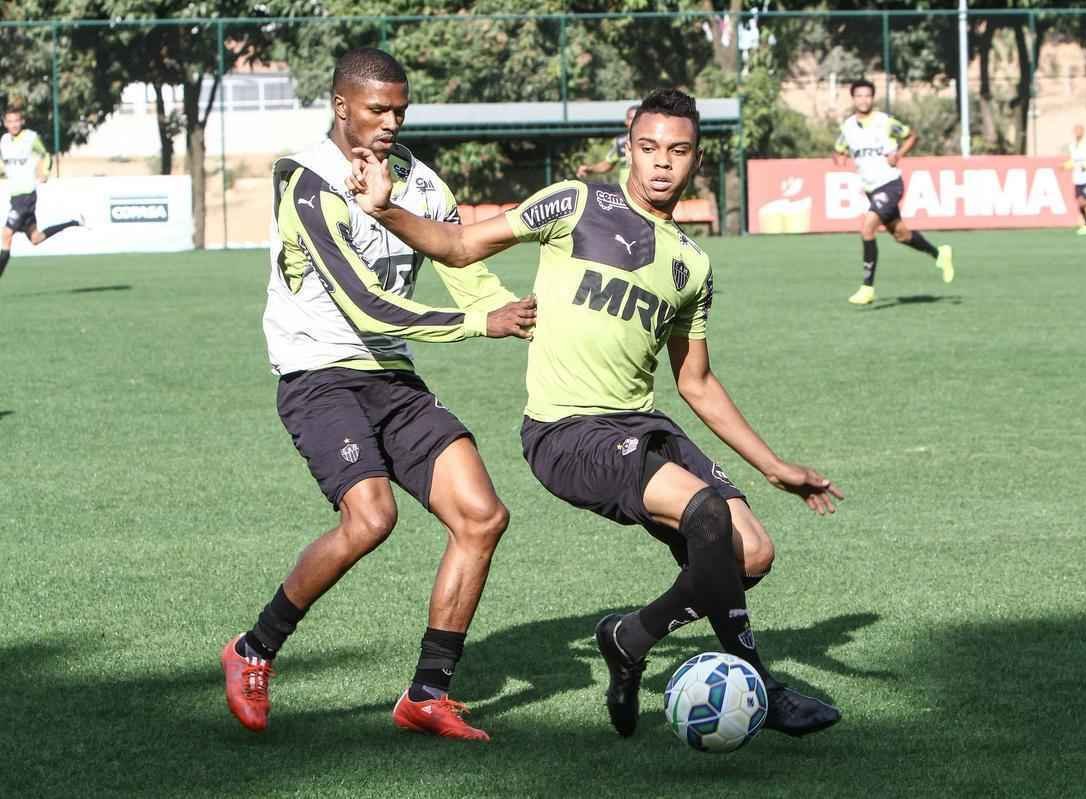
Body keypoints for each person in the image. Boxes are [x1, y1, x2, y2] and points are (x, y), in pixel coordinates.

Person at [347, 88, 845, 740]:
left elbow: (694, 380)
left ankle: (629, 637)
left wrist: (774, 465)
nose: (662, 163)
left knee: (750, 551)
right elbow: (462, 246)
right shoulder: (576, 201)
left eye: (679, 150)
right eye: (649, 148)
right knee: (707, 518)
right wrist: (385, 209)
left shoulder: (692, 265)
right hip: (566, 431)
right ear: (627, 143)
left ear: (696, 157)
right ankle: (763, 686)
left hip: (644, 424)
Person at [220, 47, 536, 743]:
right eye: (377, 109)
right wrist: (480, 324)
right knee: (370, 517)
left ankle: (427, 694)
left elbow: (464, 263)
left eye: (400, 109)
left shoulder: (419, 181)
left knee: (481, 516)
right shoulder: (303, 180)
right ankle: (253, 649)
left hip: (391, 378)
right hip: (317, 374)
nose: (391, 121)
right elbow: (366, 306)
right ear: (341, 106)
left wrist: (523, 313)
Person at [833, 79, 953, 306]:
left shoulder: (884, 122)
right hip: (871, 189)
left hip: (889, 184)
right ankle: (940, 254)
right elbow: (838, 150)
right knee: (902, 235)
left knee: (867, 227)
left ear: (872, 98)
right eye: (859, 96)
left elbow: (911, 135)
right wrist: (839, 158)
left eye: (867, 95)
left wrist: (898, 154)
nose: (863, 99)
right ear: (853, 99)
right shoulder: (848, 126)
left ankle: (867, 288)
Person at [0, 109, 83, 279]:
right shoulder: (4, 140)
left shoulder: (30, 137)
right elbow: (4, 165)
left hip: (26, 196)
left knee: (6, 234)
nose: (14, 124)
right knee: (36, 238)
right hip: (15, 196)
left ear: (22, 121)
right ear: (5, 123)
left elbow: (46, 155)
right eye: (10, 121)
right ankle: (73, 222)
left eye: (17, 120)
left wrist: (45, 171)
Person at [575, 105, 638, 184]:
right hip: (625, 192)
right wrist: (589, 169)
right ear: (626, 121)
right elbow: (607, 165)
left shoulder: (652, 140)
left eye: (637, 118)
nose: (634, 122)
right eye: (631, 118)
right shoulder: (620, 142)